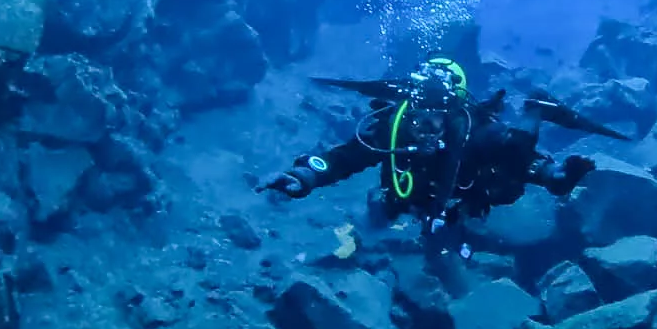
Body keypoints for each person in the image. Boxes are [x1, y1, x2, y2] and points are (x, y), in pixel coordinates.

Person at [258, 56, 625, 256]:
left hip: (459, 202)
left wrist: (556, 176)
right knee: (384, 213)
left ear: (452, 112)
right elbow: (344, 157)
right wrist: (304, 176)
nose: (425, 126)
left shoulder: (476, 132)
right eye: (419, 114)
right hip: (410, 200)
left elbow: (518, 157)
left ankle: (536, 106)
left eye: (436, 115)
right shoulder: (393, 127)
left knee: (495, 188)